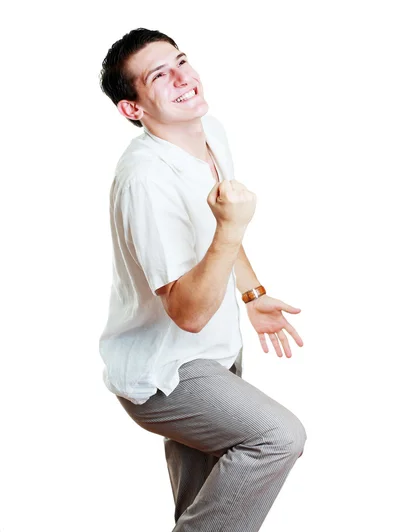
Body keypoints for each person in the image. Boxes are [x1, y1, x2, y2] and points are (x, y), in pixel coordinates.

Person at [98, 27, 307, 531]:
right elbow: (187, 314)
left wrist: (252, 293)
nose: (182, 78)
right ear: (133, 108)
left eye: (181, 61)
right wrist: (233, 227)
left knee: (205, 500)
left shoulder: (209, 131)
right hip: (165, 372)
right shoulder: (145, 178)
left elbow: (217, 230)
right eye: (159, 75)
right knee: (276, 438)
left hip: (216, 353)